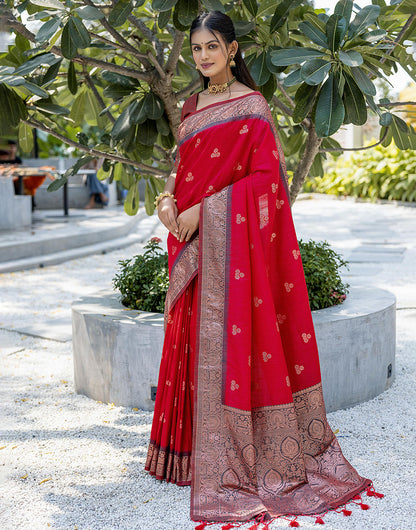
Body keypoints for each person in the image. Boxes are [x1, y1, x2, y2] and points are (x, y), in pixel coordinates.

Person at [145, 10, 382, 527]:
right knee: (190, 337)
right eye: (197, 48)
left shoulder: (251, 106)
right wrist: (167, 202)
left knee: (230, 343)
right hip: (187, 240)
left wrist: (199, 212)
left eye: (213, 47)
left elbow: (266, 183)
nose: (203, 56)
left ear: (232, 49)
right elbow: (180, 166)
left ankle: (237, 455)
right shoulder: (192, 104)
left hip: (223, 242)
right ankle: (185, 456)